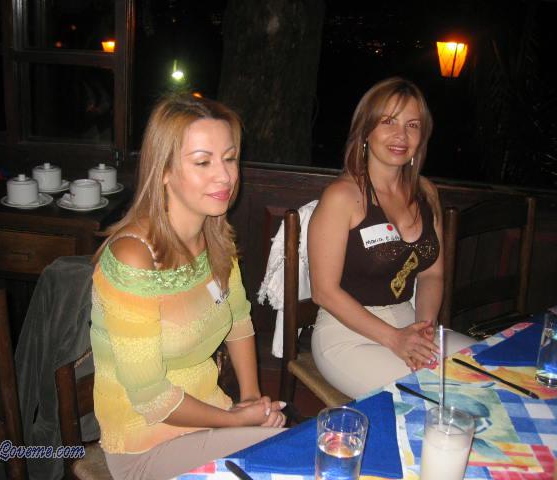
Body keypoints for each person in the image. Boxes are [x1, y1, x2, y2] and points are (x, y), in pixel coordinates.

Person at [90, 94, 286, 480]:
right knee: (285, 457)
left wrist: (250, 400)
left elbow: (239, 320)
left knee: (288, 453)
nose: (225, 176)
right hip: (143, 442)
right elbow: (151, 398)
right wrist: (238, 421)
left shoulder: (216, 237)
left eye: (230, 158)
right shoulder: (133, 258)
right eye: (203, 162)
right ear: (163, 170)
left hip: (213, 414)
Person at [308, 77, 474, 398]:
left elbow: (432, 274)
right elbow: (324, 292)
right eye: (388, 122)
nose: (401, 135)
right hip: (347, 333)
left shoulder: (425, 192)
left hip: (409, 321)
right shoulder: (342, 197)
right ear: (366, 130)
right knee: (434, 396)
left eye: (412, 125)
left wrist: (424, 331)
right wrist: (395, 339)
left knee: (486, 372)